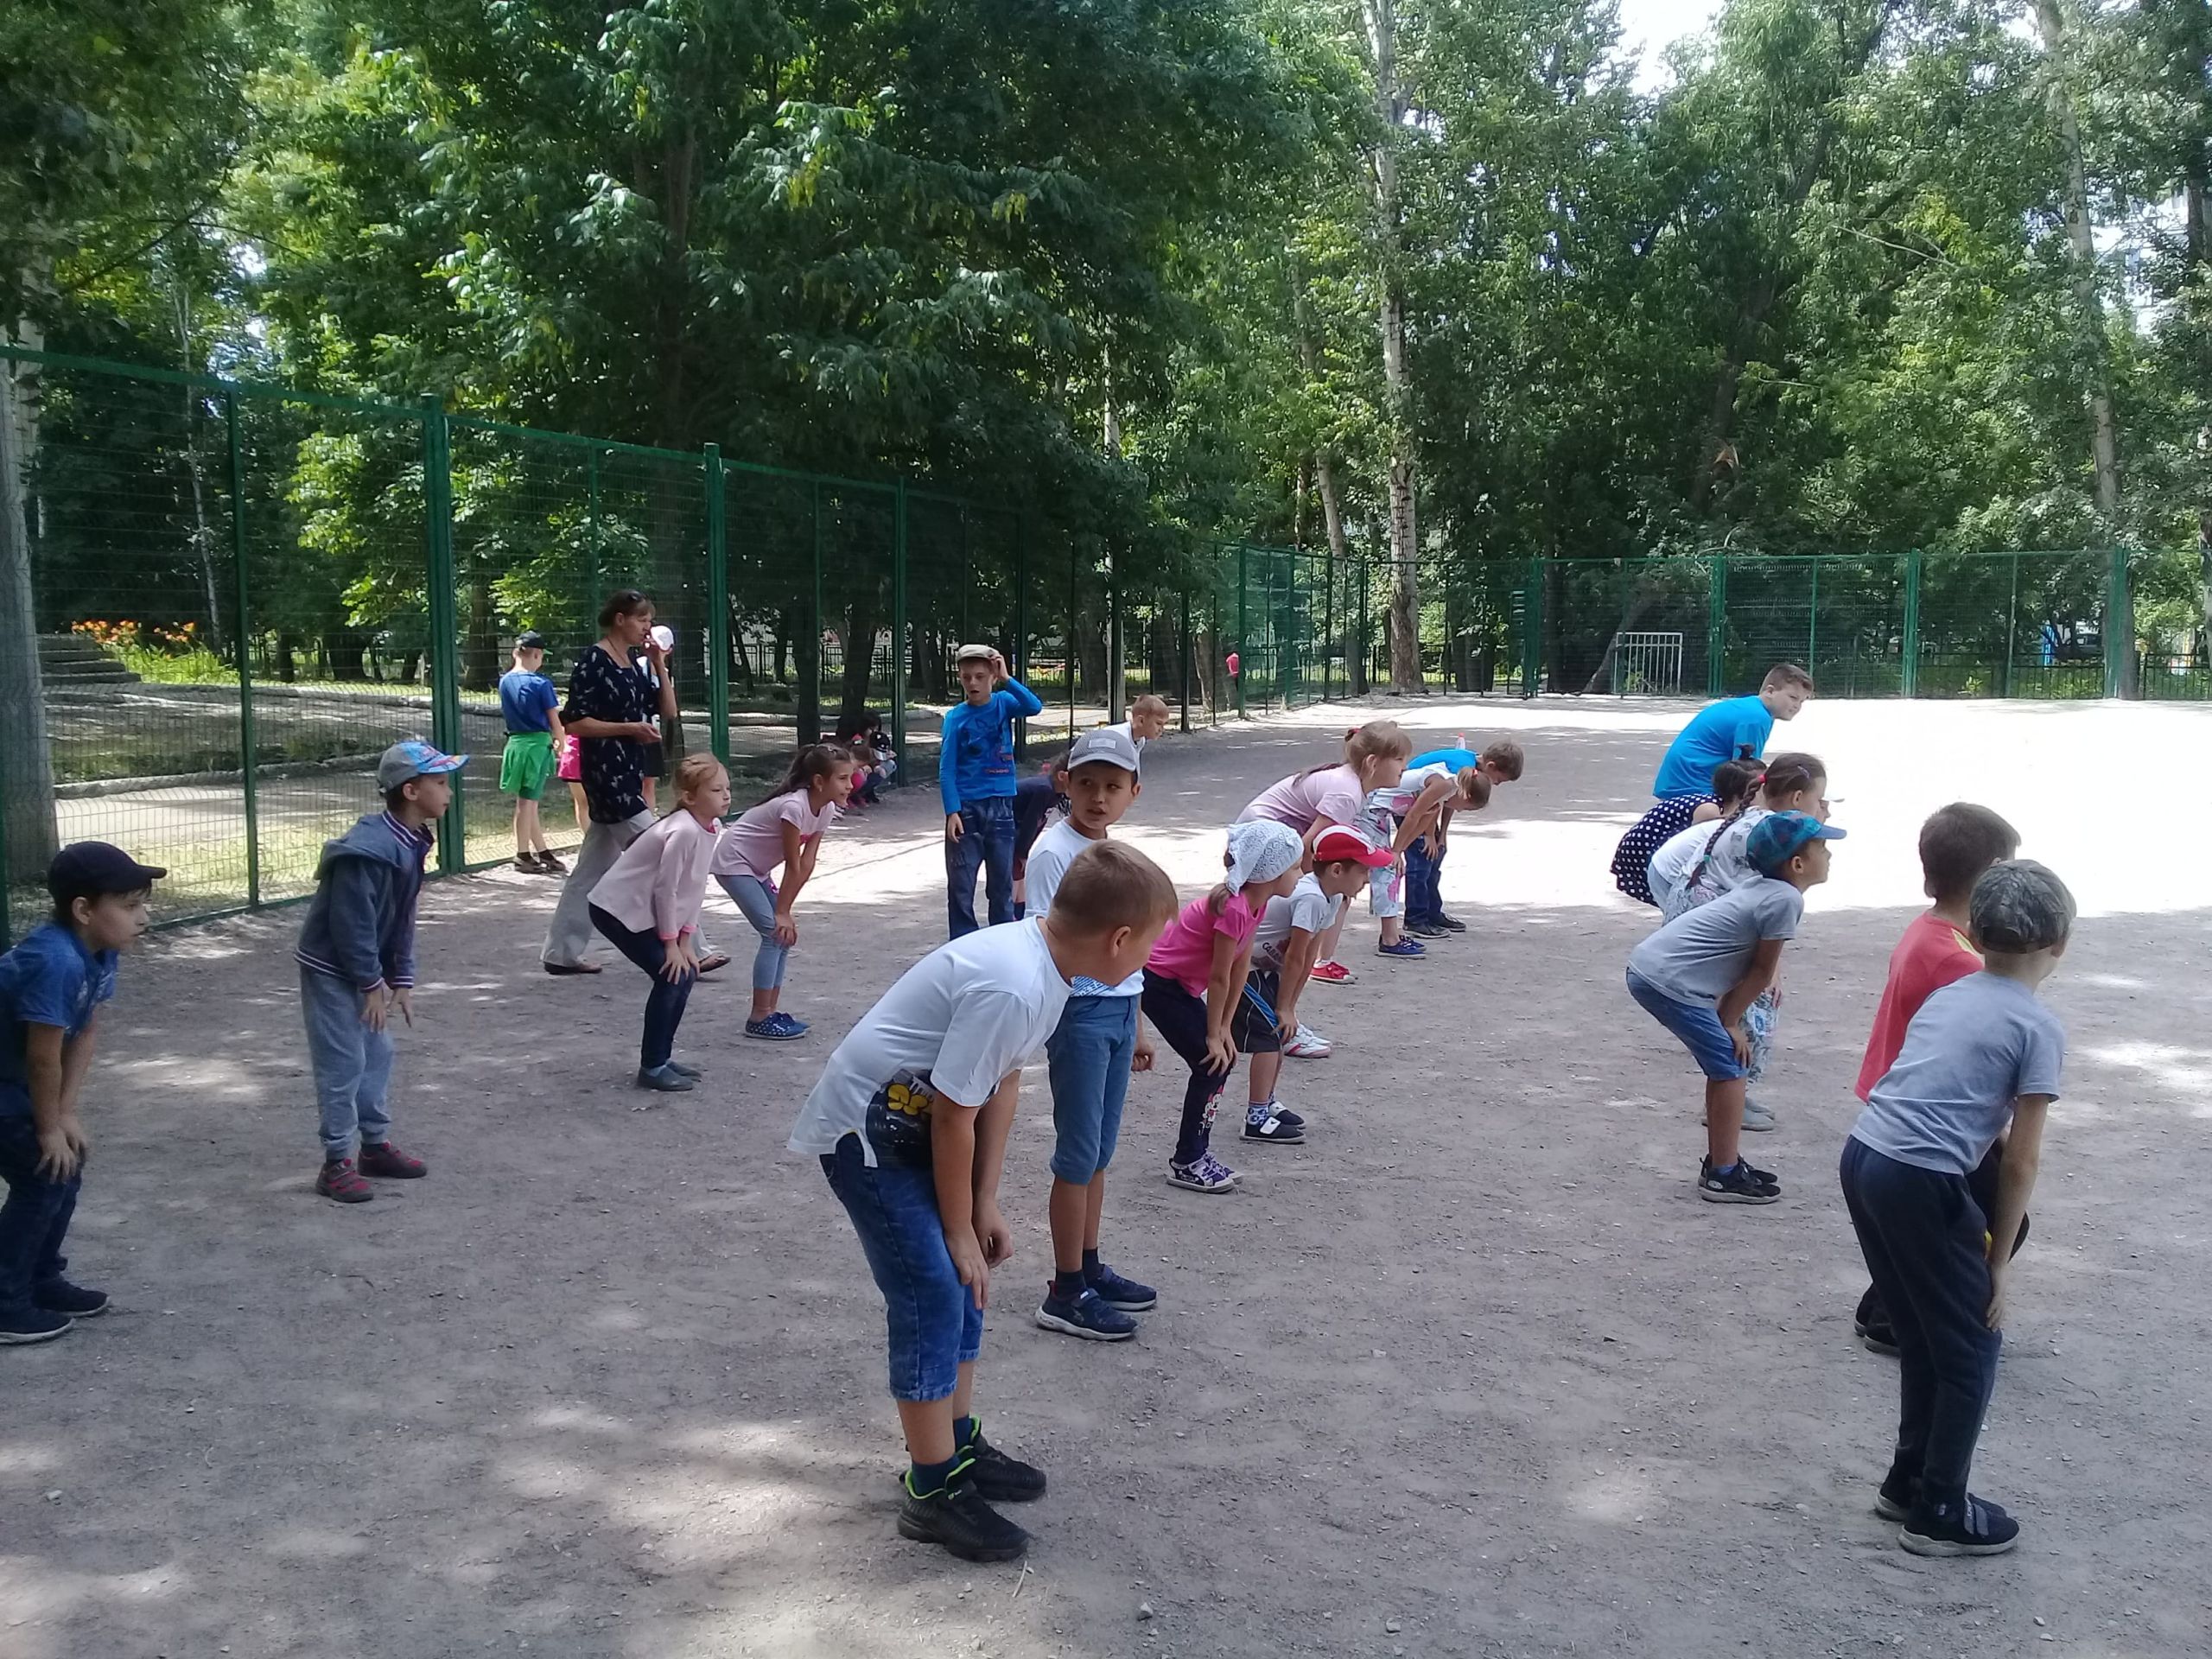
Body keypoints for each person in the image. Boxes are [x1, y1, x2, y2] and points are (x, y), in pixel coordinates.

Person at [791, 840, 1177, 1562]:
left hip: (919, 1132)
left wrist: (983, 1204)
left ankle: (958, 1445)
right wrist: (959, 1226)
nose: (1149, 959)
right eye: (1151, 945)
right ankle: (932, 1491)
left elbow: (1000, 1083)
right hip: (871, 1138)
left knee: (965, 1285)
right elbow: (953, 1114)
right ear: (1119, 939)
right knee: (934, 1289)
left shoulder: (1048, 970)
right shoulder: (1013, 981)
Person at [1841, 860, 2072, 1559]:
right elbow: (2022, 1159)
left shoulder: (1954, 994)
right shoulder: (2036, 1025)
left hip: (1864, 1156)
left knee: (1920, 1332)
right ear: (2060, 942)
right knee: (1972, 1345)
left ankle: (1908, 1479)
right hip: (1918, 1179)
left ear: (1974, 932)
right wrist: (1997, 1262)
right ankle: (1940, 1506)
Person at [1849, 804, 2025, 1356]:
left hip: (1905, 1097)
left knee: (1952, 1218)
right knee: (1998, 1222)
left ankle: (1885, 1307)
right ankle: (1895, 1316)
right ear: (1994, 868)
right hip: (1930, 1111)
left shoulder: (1931, 931)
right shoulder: (1962, 961)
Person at [1624, 810, 1843, 1205]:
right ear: (1797, 864)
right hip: (1668, 982)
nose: (1830, 855)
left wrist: (1727, 1018)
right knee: (1731, 1066)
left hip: (1654, 970)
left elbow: (1743, 967)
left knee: (1726, 1065)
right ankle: (1722, 1173)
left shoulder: (1762, 887)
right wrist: (1729, 1022)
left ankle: (1722, 1162)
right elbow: (1761, 971)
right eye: (1823, 848)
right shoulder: (1786, 899)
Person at [1020, 728, 1161, 1344]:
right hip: (1079, 1014)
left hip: (1116, 1010)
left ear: (1134, 791)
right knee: (1078, 1156)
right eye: (1085, 784)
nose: (1097, 797)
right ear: (1065, 784)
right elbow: (1050, 944)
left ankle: (1090, 1263)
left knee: (1099, 1153)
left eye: (1112, 786)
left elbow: (1128, 945)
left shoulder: (1113, 850)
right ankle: (1065, 1288)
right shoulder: (1055, 852)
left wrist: (1137, 1021)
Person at [0, 842, 162, 1344]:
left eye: (142, 903)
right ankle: (6, 1303)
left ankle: (41, 1280)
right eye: (130, 905)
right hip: (9, 1080)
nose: (143, 916)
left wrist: (66, 1113)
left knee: (63, 1170)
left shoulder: (101, 951)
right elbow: (42, 1055)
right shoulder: (54, 960)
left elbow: (85, 1030)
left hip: (15, 1079)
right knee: (43, 1175)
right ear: (83, 910)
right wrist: (47, 1128)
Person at [296, 740, 466, 1203]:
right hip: (333, 967)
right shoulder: (369, 850)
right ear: (411, 792)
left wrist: (402, 979)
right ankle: (336, 1163)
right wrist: (371, 983)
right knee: (343, 1061)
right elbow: (353, 925)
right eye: (440, 782)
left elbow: (401, 916)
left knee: (378, 1053)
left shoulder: (409, 840)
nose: (449, 792)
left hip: (361, 967)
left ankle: (373, 1147)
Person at [541, 591, 722, 976]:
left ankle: (561, 952)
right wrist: (627, 729)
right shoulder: (595, 659)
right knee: (663, 853)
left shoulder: (633, 663)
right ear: (620, 619)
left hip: (627, 772)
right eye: (641, 620)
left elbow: (668, 710)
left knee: (589, 872)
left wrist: (659, 664)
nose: (646, 627)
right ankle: (695, 948)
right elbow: (574, 722)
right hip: (608, 777)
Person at [1645, 753, 1828, 1132]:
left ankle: (1738, 1090)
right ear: (1796, 799)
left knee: (1749, 1005)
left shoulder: (1757, 820)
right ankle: (1733, 1093)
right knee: (1754, 1008)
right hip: (1710, 920)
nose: (1822, 807)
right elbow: (1762, 907)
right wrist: (1771, 969)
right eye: (1818, 799)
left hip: (1696, 909)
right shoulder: (1771, 832)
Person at [1140, 820, 1306, 1193]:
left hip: (1178, 985)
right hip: (1158, 982)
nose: (1300, 872)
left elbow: (1240, 969)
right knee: (1210, 1061)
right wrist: (1213, 1036)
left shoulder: (1256, 905)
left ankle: (1194, 1155)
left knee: (1220, 1059)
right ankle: (1188, 1160)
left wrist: (1225, 1029)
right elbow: (1218, 977)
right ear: (1271, 871)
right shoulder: (1233, 908)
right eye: (1294, 866)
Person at [588, 753, 731, 1093]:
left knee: (684, 973)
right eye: (716, 790)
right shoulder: (682, 830)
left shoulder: (710, 826)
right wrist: (670, 945)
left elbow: (693, 888)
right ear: (689, 797)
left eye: (727, 788)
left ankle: (661, 1059)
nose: (726, 796)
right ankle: (652, 1065)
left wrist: (685, 941)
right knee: (672, 977)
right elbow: (665, 890)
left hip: (645, 910)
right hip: (617, 909)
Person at [1236, 720, 1414, 985]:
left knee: (1331, 892)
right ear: (1373, 763)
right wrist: (1313, 885)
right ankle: (1269, 959)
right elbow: (1308, 847)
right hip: (1263, 837)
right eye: (1399, 759)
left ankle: (1308, 959)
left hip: (1269, 834)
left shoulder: (1352, 784)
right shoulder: (1347, 793)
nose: (1405, 767)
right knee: (1317, 894)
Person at [1236, 829, 1390, 1122]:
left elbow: (1308, 959)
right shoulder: (1311, 897)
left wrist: (1290, 1008)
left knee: (1279, 1035)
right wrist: (1283, 1009)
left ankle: (1266, 1103)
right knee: (1269, 1039)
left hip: (1265, 969)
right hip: (1243, 968)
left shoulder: (1331, 898)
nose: (1367, 879)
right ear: (1336, 870)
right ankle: (1256, 1118)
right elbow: (1295, 956)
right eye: (1363, 871)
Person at [711, 744, 855, 1042]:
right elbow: (792, 863)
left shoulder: (826, 809)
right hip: (734, 862)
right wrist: (781, 912)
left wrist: (786, 911)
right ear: (818, 781)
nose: (850, 785)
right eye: (842, 778)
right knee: (773, 933)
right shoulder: (794, 807)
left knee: (784, 936)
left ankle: (771, 1012)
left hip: (756, 869)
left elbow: (807, 863)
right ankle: (759, 1016)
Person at [939, 644, 1046, 937]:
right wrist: (952, 811)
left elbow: (1034, 706)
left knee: (1001, 886)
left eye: (979, 676)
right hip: (968, 809)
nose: (972, 683)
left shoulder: (1003, 703)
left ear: (991, 676)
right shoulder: (955, 718)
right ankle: (962, 942)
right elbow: (947, 768)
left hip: (1001, 806)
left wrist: (1007, 678)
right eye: (966, 677)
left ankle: (1001, 942)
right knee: (961, 887)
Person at [1401, 737, 1524, 932]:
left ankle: (1432, 912)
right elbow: (1431, 801)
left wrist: (1442, 835)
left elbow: (1449, 803)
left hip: (1427, 807)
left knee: (1435, 858)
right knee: (1421, 861)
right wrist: (1429, 836)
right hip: (1409, 804)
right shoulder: (1461, 768)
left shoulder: (1470, 770)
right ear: (1491, 766)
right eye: (1499, 780)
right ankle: (1415, 918)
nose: (1497, 784)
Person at [1611, 758, 1763, 908]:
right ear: (1746, 792)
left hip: (1660, 846)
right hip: (1643, 850)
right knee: (1679, 899)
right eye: (1763, 788)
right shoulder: (1710, 810)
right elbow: (1702, 848)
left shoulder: (1720, 806)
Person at [1649, 664, 1814, 800]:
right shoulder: (1756, 717)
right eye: (1793, 697)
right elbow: (1746, 773)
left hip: (1678, 780)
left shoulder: (1754, 709)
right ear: (1770, 691)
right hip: (1692, 785)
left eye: (1802, 701)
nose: (1797, 706)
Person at [1386, 766, 1492, 939]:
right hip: (1380, 804)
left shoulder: (1449, 789)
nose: (1459, 810)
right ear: (1466, 795)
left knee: (1425, 861)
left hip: (1397, 808)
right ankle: (1414, 920)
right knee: (1413, 867)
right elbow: (1414, 815)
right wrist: (1397, 850)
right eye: (1465, 808)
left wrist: (1412, 843)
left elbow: (1427, 816)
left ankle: (1428, 914)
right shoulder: (1444, 785)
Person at [498, 629, 569, 874]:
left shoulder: (504, 681)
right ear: (536, 655)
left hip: (516, 745)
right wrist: (563, 743)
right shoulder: (541, 683)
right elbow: (554, 719)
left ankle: (542, 851)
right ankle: (522, 855)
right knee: (526, 803)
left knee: (530, 801)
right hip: (537, 746)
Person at [556, 732, 588, 830]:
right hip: (578, 753)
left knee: (582, 803)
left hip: (572, 753)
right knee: (584, 803)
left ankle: (589, 838)